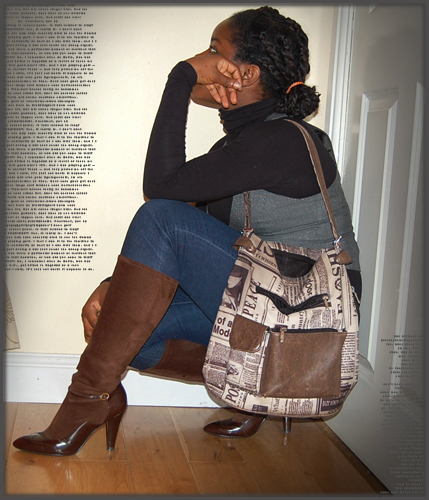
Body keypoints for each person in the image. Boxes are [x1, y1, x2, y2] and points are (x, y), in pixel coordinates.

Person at [13, 6, 361, 455]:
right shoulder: (237, 149)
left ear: (245, 73)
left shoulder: (286, 141)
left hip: (309, 319)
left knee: (160, 217)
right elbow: (183, 237)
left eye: (214, 50)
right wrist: (113, 285)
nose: (203, 59)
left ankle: (85, 400)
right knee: (124, 329)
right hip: (267, 305)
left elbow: (161, 195)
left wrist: (180, 77)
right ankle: (249, 389)